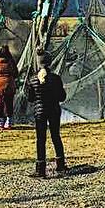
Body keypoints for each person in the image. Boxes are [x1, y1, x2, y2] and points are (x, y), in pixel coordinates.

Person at [24, 50, 67, 178]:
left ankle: (40, 169)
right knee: (56, 137)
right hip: (54, 110)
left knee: (40, 140)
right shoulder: (56, 78)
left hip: (39, 112)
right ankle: (60, 164)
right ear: (50, 62)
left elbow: (31, 99)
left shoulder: (33, 79)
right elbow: (62, 97)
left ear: (38, 63)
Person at [0, 44, 19, 130]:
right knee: (9, 104)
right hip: (9, 85)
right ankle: (9, 123)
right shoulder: (11, 61)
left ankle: (0, 123)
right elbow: (16, 73)